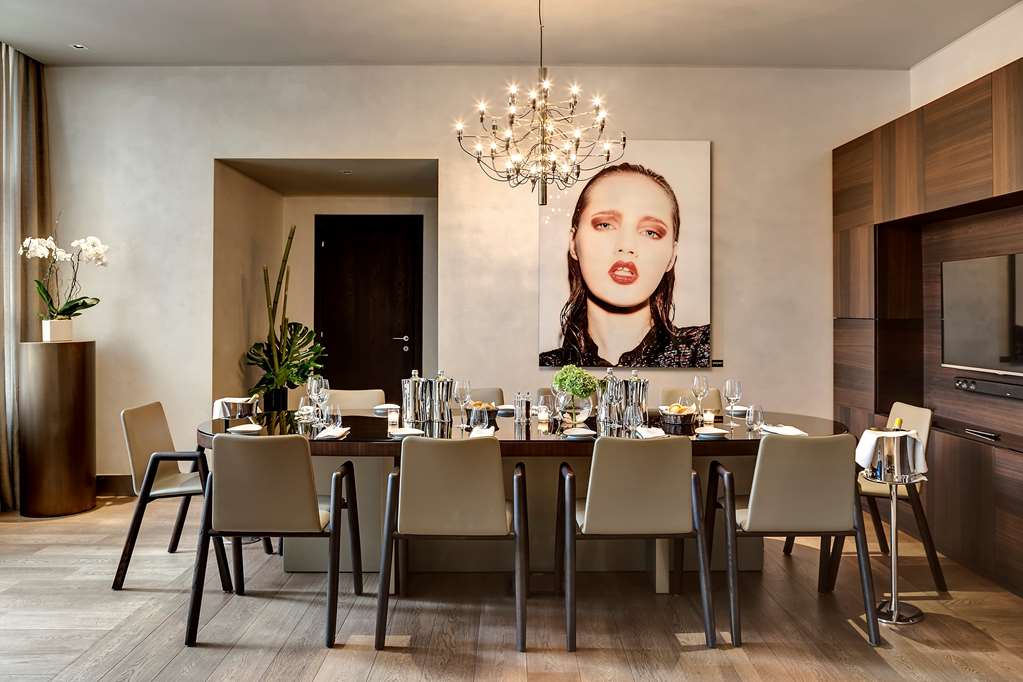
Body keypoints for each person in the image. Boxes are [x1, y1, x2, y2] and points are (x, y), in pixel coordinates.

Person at [539, 162, 710, 368]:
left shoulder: (706, 350)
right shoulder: (545, 366)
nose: (627, 246)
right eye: (605, 225)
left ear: (672, 256)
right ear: (573, 243)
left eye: (650, 232)